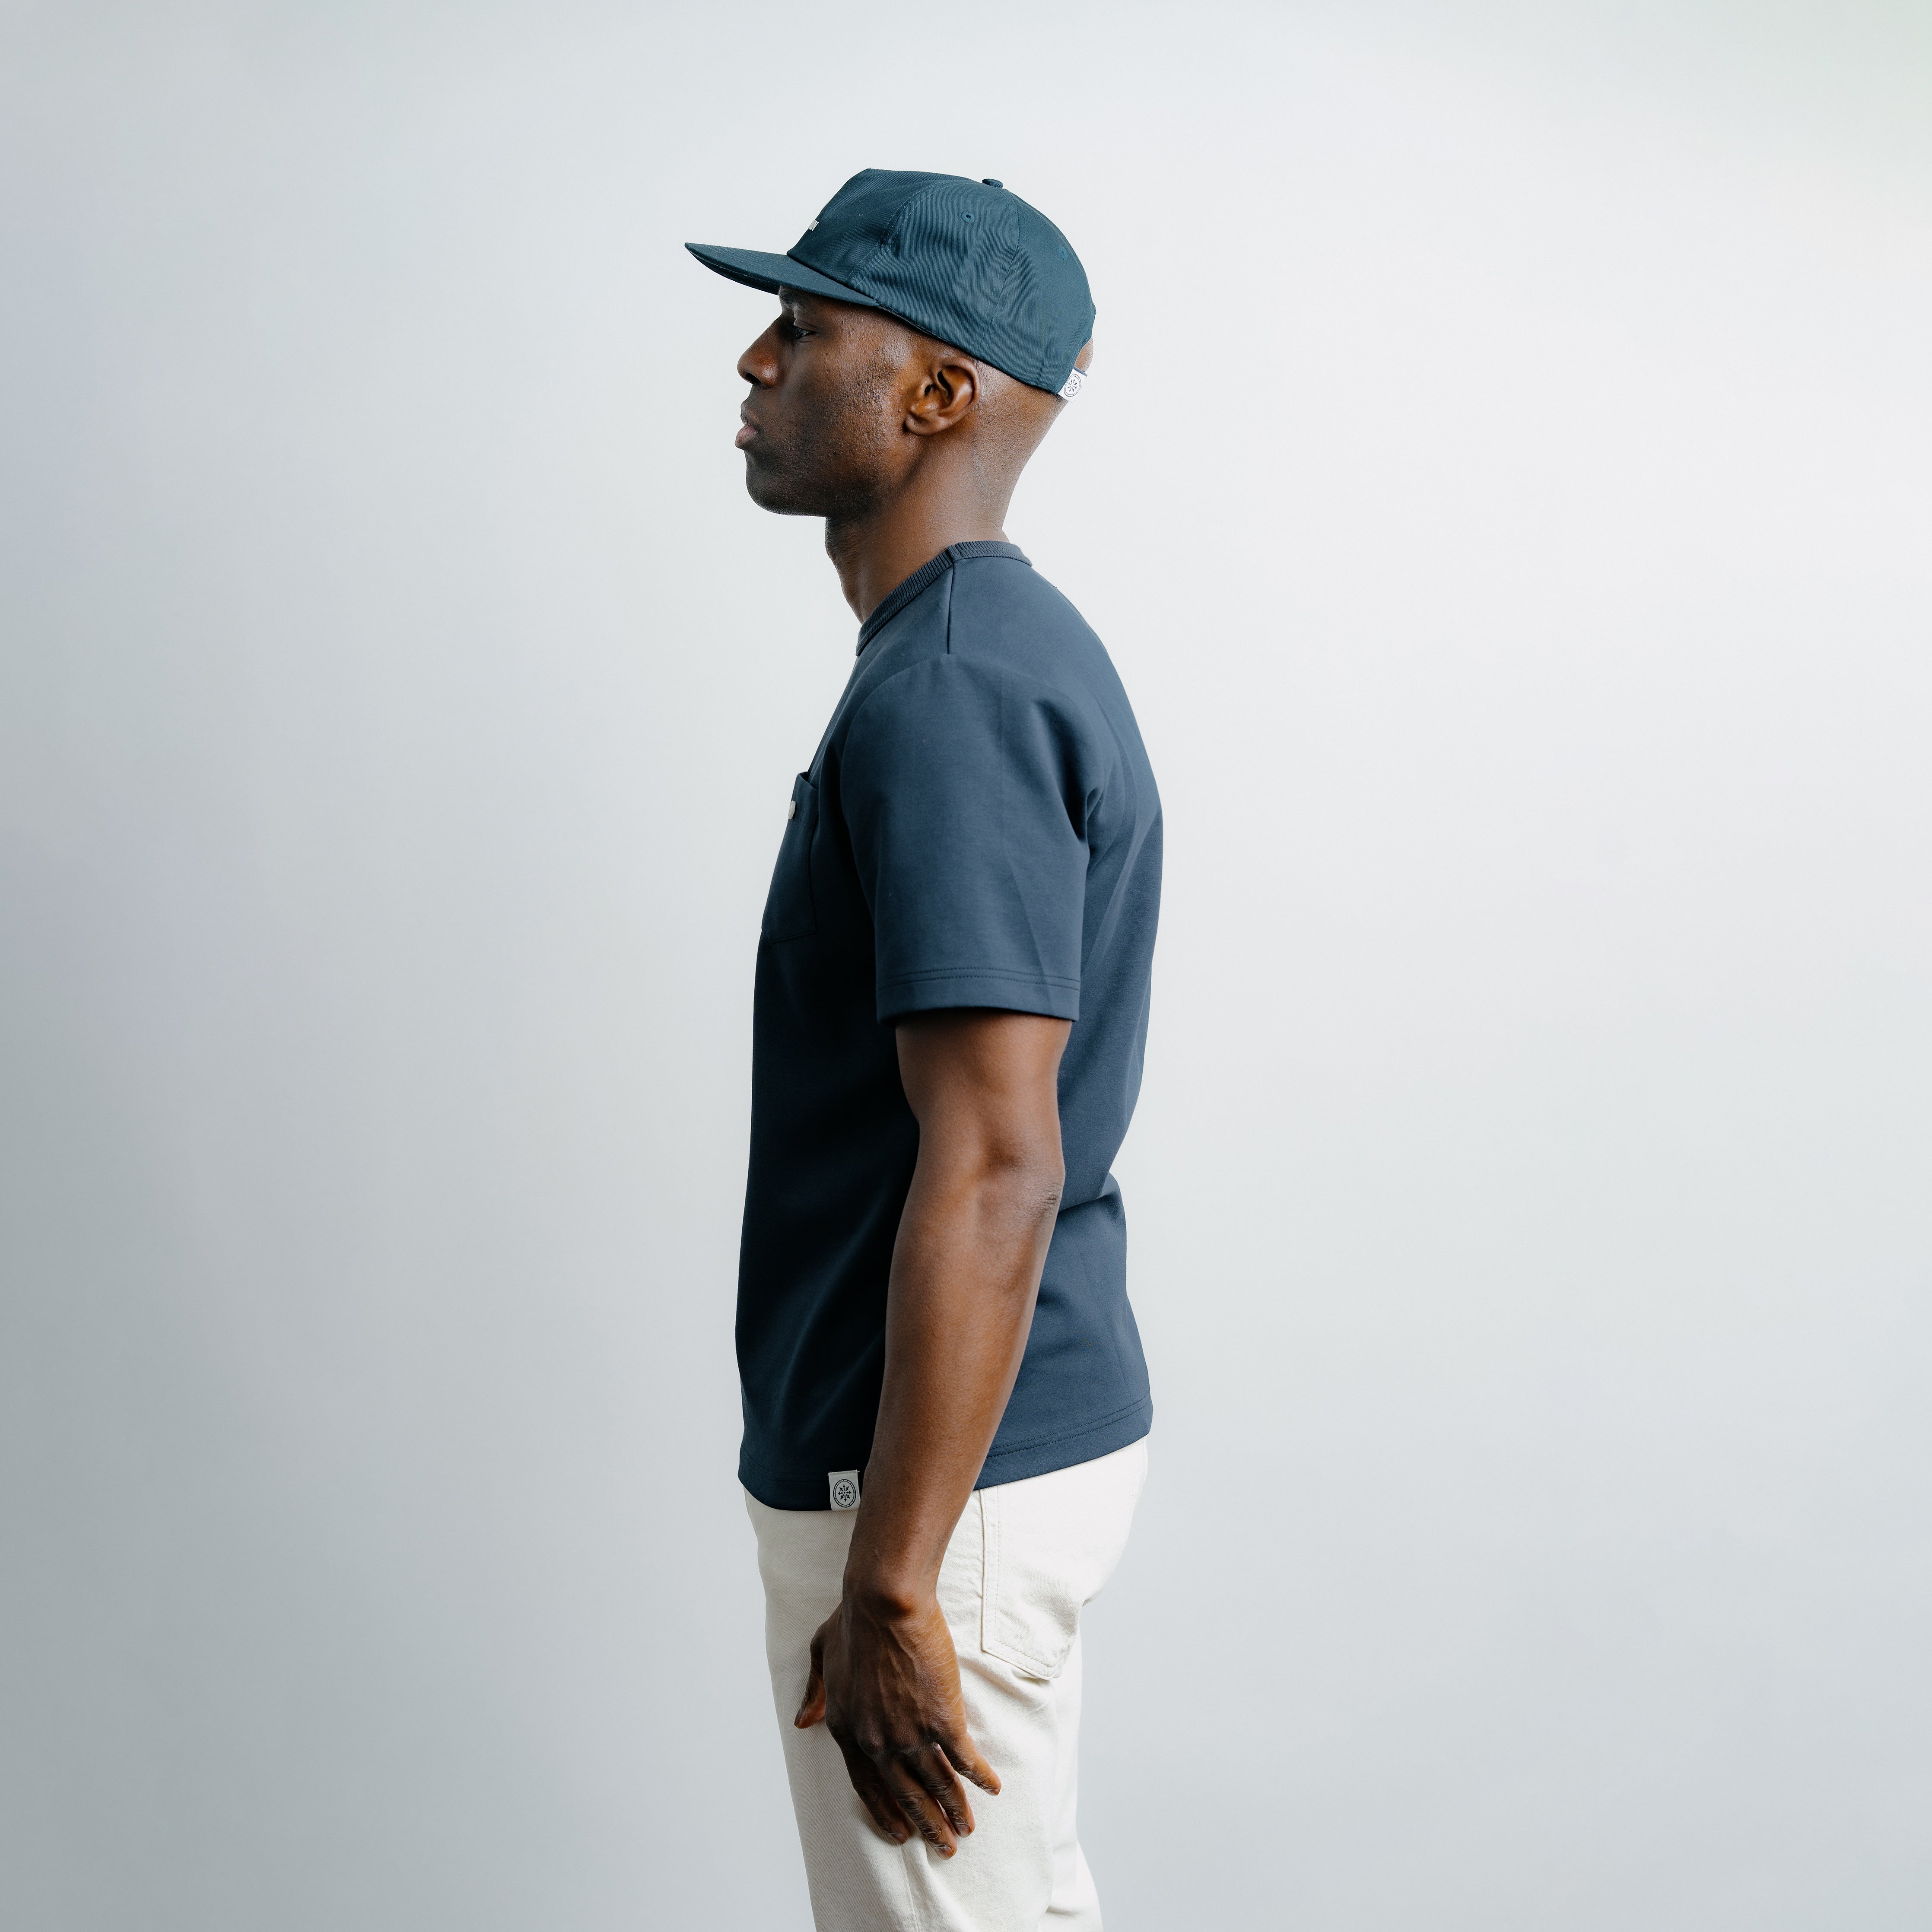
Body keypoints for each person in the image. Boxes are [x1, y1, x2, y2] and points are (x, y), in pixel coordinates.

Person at [686, 169, 1162, 1932]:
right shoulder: (957, 658)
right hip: (933, 1470)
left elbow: (993, 1156)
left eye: (803, 327)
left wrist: (890, 1583)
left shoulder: (953, 685)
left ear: (937, 392)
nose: (754, 360)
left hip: (930, 1496)